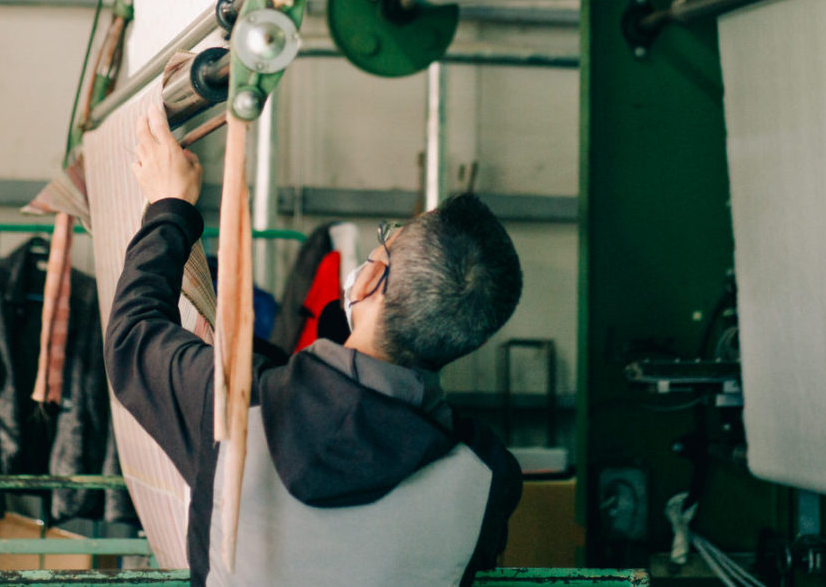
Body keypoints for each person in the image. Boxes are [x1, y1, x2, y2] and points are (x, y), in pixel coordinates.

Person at [106, 100, 526, 586]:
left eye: (385, 241)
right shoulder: (488, 475)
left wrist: (169, 207)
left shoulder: (234, 408)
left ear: (371, 281)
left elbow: (132, 335)